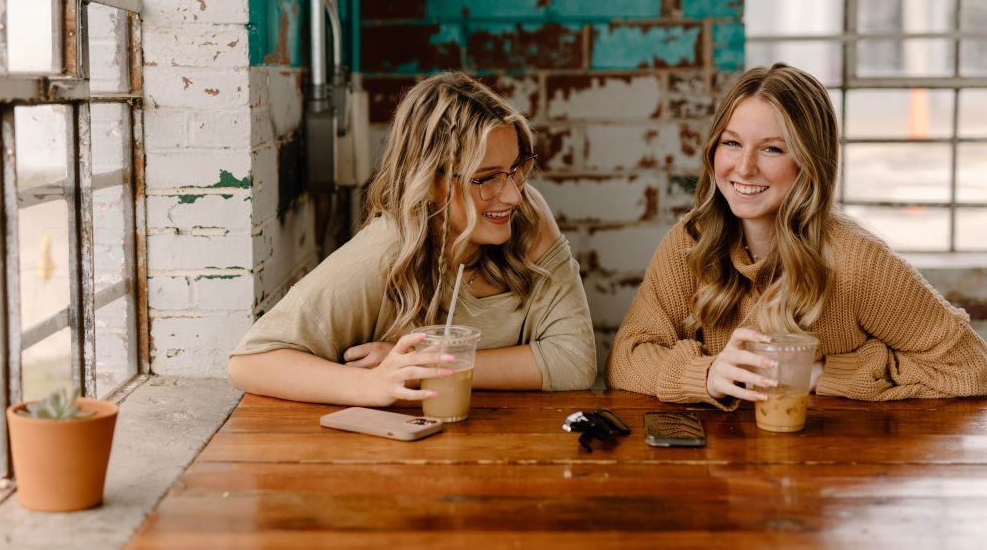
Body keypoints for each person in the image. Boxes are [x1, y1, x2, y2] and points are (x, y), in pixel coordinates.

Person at [605, 63, 987, 408]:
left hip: (830, 463)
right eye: (732, 143)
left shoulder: (856, 262)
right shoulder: (691, 241)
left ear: (809, 162)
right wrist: (706, 374)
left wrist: (823, 374)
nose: (744, 167)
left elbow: (970, 367)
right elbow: (625, 358)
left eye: (771, 149)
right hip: (718, 469)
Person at [229, 71, 597, 405]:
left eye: (516, 169)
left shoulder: (528, 216)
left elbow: (575, 360)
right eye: (486, 178)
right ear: (430, 182)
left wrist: (429, 367)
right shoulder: (386, 250)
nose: (513, 195)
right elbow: (250, 363)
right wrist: (368, 385)